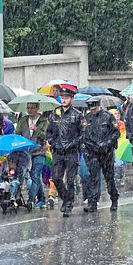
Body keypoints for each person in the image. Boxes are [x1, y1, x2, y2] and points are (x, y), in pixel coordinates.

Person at [47, 87, 85, 217]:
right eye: (62, 98)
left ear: (72, 99)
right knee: (56, 178)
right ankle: (65, 198)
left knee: (70, 179)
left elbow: (83, 133)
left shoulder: (78, 115)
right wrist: (52, 141)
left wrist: (73, 143)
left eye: (67, 98)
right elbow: (50, 131)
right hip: (58, 151)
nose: (64, 100)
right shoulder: (55, 113)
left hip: (71, 152)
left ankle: (69, 204)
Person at [82, 97, 120, 212]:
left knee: (109, 178)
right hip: (93, 152)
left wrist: (106, 143)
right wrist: (92, 145)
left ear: (99, 105)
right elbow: (83, 134)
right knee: (94, 178)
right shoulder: (87, 119)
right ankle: (92, 203)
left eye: (95, 108)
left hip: (106, 152)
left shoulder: (108, 116)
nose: (93, 111)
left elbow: (116, 132)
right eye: (91, 109)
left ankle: (114, 199)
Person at [15, 102, 49, 209]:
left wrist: (36, 130)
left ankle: (31, 200)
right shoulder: (24, 120)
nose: (29, 110)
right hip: (26, 152)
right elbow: (17, 133)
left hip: (39, 151)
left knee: (35, 175)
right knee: (34, 176)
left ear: (37, 108)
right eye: (28, 108)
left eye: (32, 108)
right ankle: (42, 199)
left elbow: (46, 136)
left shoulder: (44, 121)